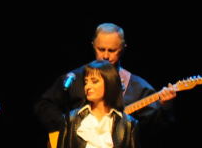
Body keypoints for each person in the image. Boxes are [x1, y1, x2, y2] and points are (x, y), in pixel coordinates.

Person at [35, 23, 175, 138]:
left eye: (112, 50)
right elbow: (44, 105)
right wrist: (67, 127)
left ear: (123, 49)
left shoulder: (137, 87)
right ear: (93, 45)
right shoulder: (74, 78)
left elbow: (157, 127)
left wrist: (165, 105)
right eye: (101, 49)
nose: (106, 56)